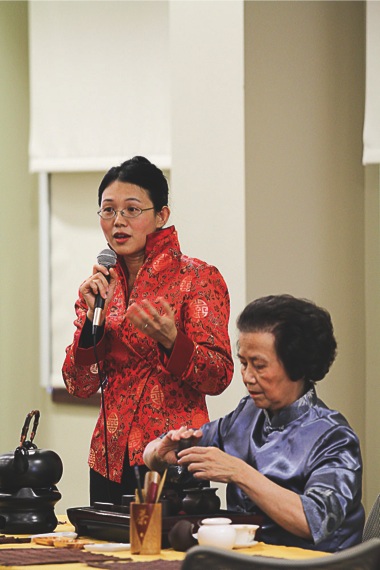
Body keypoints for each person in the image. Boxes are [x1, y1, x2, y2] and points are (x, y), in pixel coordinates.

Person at [62, 156, 233, 505]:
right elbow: (79, 385)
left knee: (163, 558)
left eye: (132, 210)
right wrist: (94, 323)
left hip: (174, 456)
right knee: (104, 555)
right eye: (108, 211)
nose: (118, 221)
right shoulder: (98, 288)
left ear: (161, 216)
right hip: (108, 458)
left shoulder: (198, 278)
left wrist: (172, 340)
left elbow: (219, 377)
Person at [144, 294, 365, 552]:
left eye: (258, 365)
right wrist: (159, 454)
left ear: (297, 366)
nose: (247, 377)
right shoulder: (247, 414)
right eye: (243, 363)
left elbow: (314, 520)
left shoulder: (334, 437)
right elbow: (159, 449)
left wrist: (238, 472)